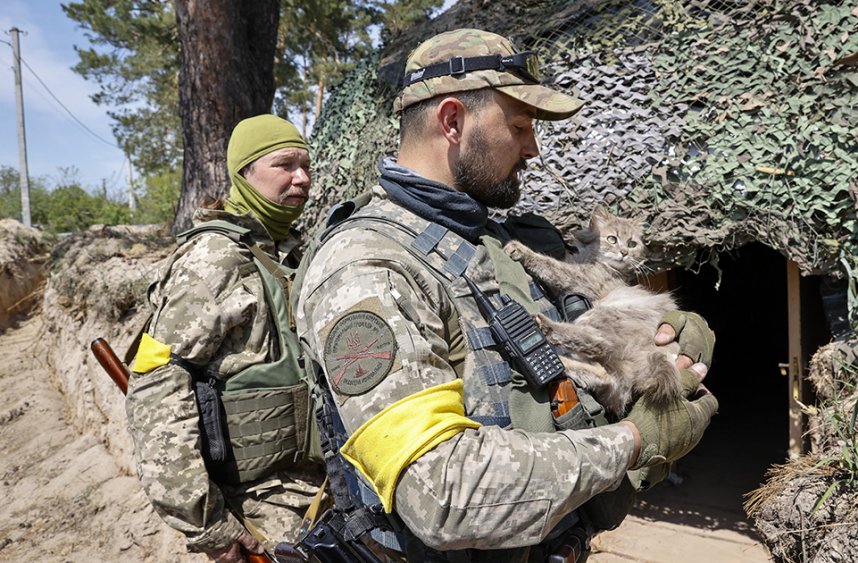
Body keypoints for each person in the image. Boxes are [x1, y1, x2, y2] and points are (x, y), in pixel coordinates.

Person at [294, 29, 718, 561]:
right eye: (519, 126)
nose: (533, 148)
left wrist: (661, 336)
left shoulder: (497, 243)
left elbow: (585, 350)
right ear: (452, 122)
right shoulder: (368, 266)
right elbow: (446, 496)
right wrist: (636, 441)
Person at [126, 114, 326, 563]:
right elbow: (155, 386)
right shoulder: (214, 259)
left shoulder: (291, 249)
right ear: (244, 173)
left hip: (320, 481)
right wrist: (207, 523)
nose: (302, 178)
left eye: (306, 165)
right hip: (259, 500)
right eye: (285, 165)